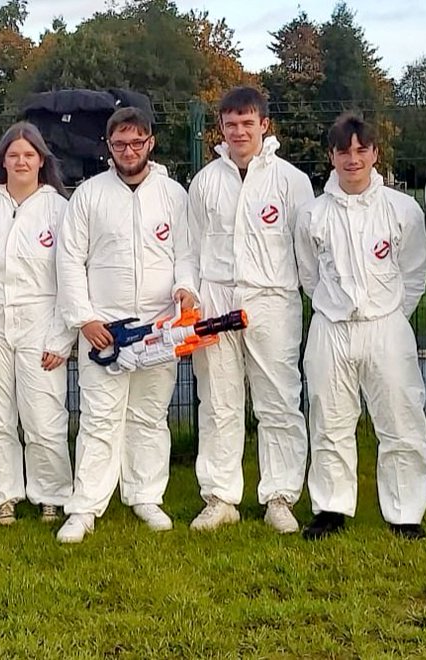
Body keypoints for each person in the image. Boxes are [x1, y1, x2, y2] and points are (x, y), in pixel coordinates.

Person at [54, 107, 199, 544]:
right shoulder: (89, 195)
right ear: (109, 146)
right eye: (120, 144)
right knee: (99, 418)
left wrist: (185, 289)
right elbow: (69, 259)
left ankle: (145, 496)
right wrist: (84, 318)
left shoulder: (173, 194)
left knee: (150, 416)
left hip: (158, 326)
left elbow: (185, 253)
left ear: (150, 142)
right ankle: (85, 506)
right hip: (106, 329)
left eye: (137, 142)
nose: (129, 151)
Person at [294, 114, 426, 540]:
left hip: (386, 325)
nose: (352, 159)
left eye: (361, 150)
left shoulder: (402, 209)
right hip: (331, 327)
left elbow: (414, 272)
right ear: (331, 156)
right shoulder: (313, 214)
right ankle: (331, 508)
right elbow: (309, 275)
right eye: (343, 151)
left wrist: (389, 315)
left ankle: (405, 512)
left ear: (375, 153)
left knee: (401, 419)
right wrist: (336, 308)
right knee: (329, 420)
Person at [186, 86, 315, 534]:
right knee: (218, 402)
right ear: (220, 128)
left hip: (272, 299)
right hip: (216, 298)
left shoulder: (291, 181)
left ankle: (280, 497)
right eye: (231, 124)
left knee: (278, 401)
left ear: (264, 124)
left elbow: (306, 248)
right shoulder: (206, 182)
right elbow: (191, 246)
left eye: (247, 123)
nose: (239, 132)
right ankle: (220, 497)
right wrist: (190, 292)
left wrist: (306, 294)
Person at [0, 122, 75, 526]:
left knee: (44, 414)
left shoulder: (60, 210)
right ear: (3, 161)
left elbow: (71, 276)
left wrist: (61, 337)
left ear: (42, 161)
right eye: (14, 155)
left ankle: (51, 494)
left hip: (42, 321)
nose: (21, 161)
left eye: (29, 155)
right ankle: (2, 496)